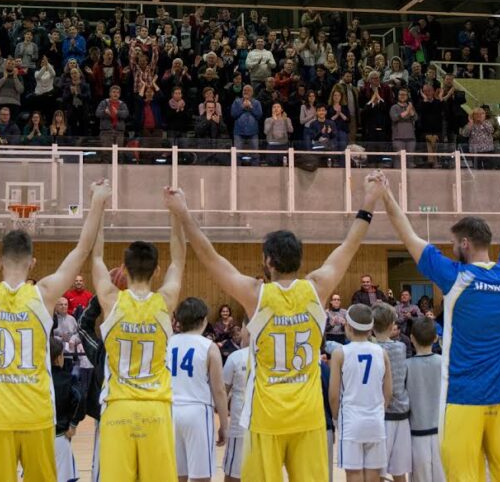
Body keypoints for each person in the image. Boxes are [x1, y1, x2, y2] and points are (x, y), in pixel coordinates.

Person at [164, 176, 384, 482]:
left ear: (268, 261)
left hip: (267, 416)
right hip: (308, 416)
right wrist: (370, 200)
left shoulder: (257, 295)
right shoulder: (317, 288)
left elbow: (210, 257)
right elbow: (350, 243)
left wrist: (183, 213)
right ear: (298, 259)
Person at [0, 177, 110, 482]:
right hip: (37, 416)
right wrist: (97, 200)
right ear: (33, 262)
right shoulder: (44, 294)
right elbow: (82, 249)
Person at [373, 171, 500, 480]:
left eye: (452, 244)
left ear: (465, 243)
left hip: (463, 399)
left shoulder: (457, 277)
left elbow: (407, 235)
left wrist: (386, 195)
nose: (450, 249)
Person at [91, 196, 186, 482]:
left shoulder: (110, 300)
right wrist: (175, 213)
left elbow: (95, 257)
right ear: (157, 270)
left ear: (123, 268)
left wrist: (99, 207)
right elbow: (179, 259)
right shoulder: (165, 301)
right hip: (155, 408)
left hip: (118, 407)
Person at [167, 297, 229, 482]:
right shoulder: (209, 347)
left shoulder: (167, 343)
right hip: (197, 412)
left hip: (170, 411)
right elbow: (219, 390)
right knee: (200, 477)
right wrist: (224, 426)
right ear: (204, 320)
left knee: (178, 475)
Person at [329, 303, 391, 482]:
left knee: (354, 474)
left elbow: (333, 396)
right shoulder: (382, 352)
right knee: (373, 474)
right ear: (371, 327)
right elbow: (388, 392)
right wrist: (379, 410)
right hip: (376, 421)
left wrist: (336, 418)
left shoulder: (340, 353)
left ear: (347, 326)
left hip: (351, 421)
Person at [375, 304, 412, 482]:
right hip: (401, 414)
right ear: (392, 326)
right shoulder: (400, 348)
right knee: (400, 471)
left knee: (379, 472)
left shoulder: (371, 349)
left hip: (381, 414)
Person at [407, 317, 444, 482]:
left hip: (416, 433)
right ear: (436, 338)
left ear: (411, 338)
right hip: (442, 433)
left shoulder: (405, 365)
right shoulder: (444, 363)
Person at [50, 336, 83, 482]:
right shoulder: (67, 379)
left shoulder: (36, 379)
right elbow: (80, 400)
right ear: (59, 358)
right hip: (59, 438)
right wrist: (73, 424)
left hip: (37, 438)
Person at [221, 326, 250, 482]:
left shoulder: (236, 357)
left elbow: (223, 391)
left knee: (233, 472)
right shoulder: (273, 357)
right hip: (260, 424)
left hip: (241, 423)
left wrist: (223, 425)